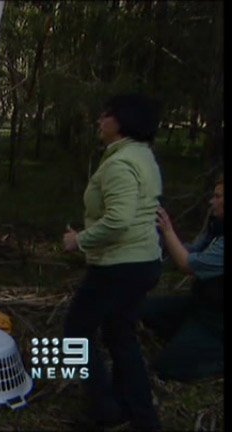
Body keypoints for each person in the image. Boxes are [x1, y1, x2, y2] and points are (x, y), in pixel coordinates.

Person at [61, 94, 163, 431]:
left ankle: (104, 409)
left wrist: (79, 240)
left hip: (119, 266)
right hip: (143, 262)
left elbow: (119, 220)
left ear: (121, 122)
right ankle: (140, 414)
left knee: (75, 331)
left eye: (105, 115)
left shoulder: (120, 163)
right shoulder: (142, 155)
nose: (99, 120)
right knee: (120, 334)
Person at [141, 174, 224, 382]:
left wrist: (167, 229)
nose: (211, 201)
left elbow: (188, 265)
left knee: (168, 367)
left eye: (217, 197)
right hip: (200, 305)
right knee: (142, 311)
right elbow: (191, 251)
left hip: (217, 321)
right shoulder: (216, 227)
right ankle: (190, 340)